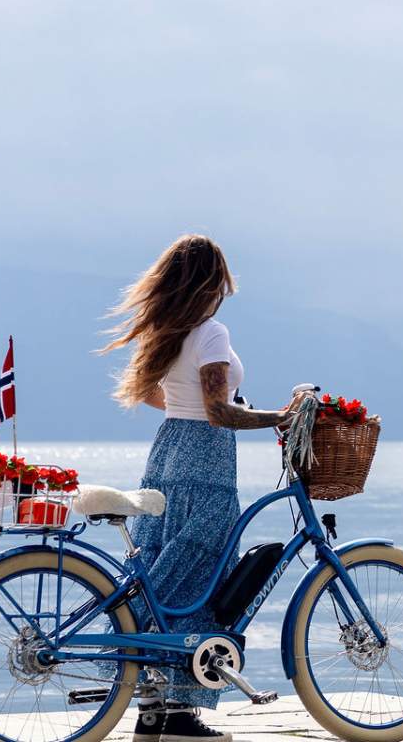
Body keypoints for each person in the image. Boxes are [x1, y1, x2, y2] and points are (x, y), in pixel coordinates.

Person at [101, 234, 290, 742]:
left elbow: (150, 393)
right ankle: (181, 717)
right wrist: (281, 417)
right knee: (199, 579)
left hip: (168, 452)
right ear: (211, 283)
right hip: (206, 460)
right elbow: (220, 412)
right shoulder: (210, 333)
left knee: (162, 576)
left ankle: (152, 711)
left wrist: (188, 407)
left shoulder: (166, 330)